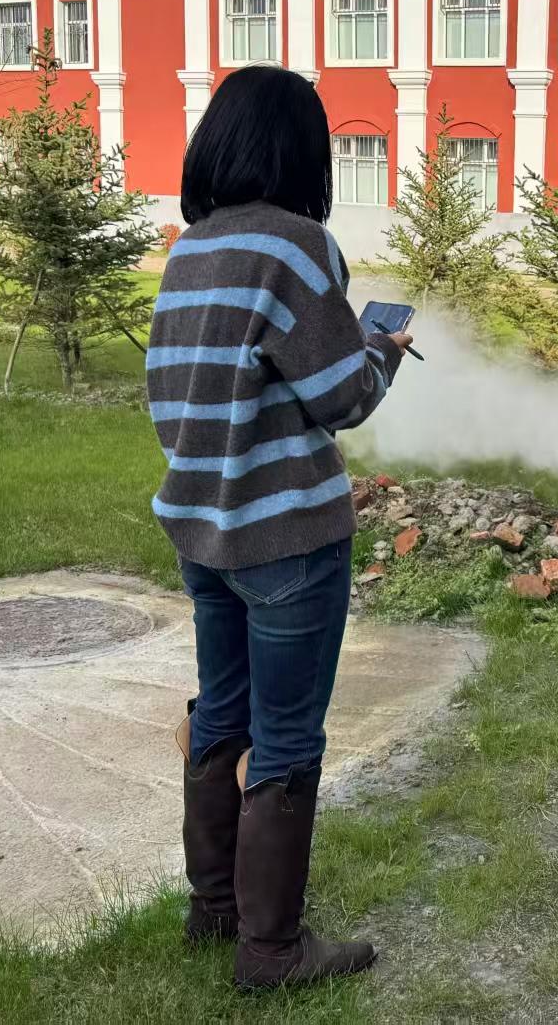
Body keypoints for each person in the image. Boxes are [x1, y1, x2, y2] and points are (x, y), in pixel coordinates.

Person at [147, 66, 413, 989]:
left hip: (202, 534)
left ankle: (215, 909)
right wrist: (382, 348)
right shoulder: (299, 246)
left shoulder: (188, 249)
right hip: (290, 540)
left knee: (221, 712)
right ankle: (272, 952)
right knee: (288, 736)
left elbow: (178, 393)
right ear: (301, 152)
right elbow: (343, 397)